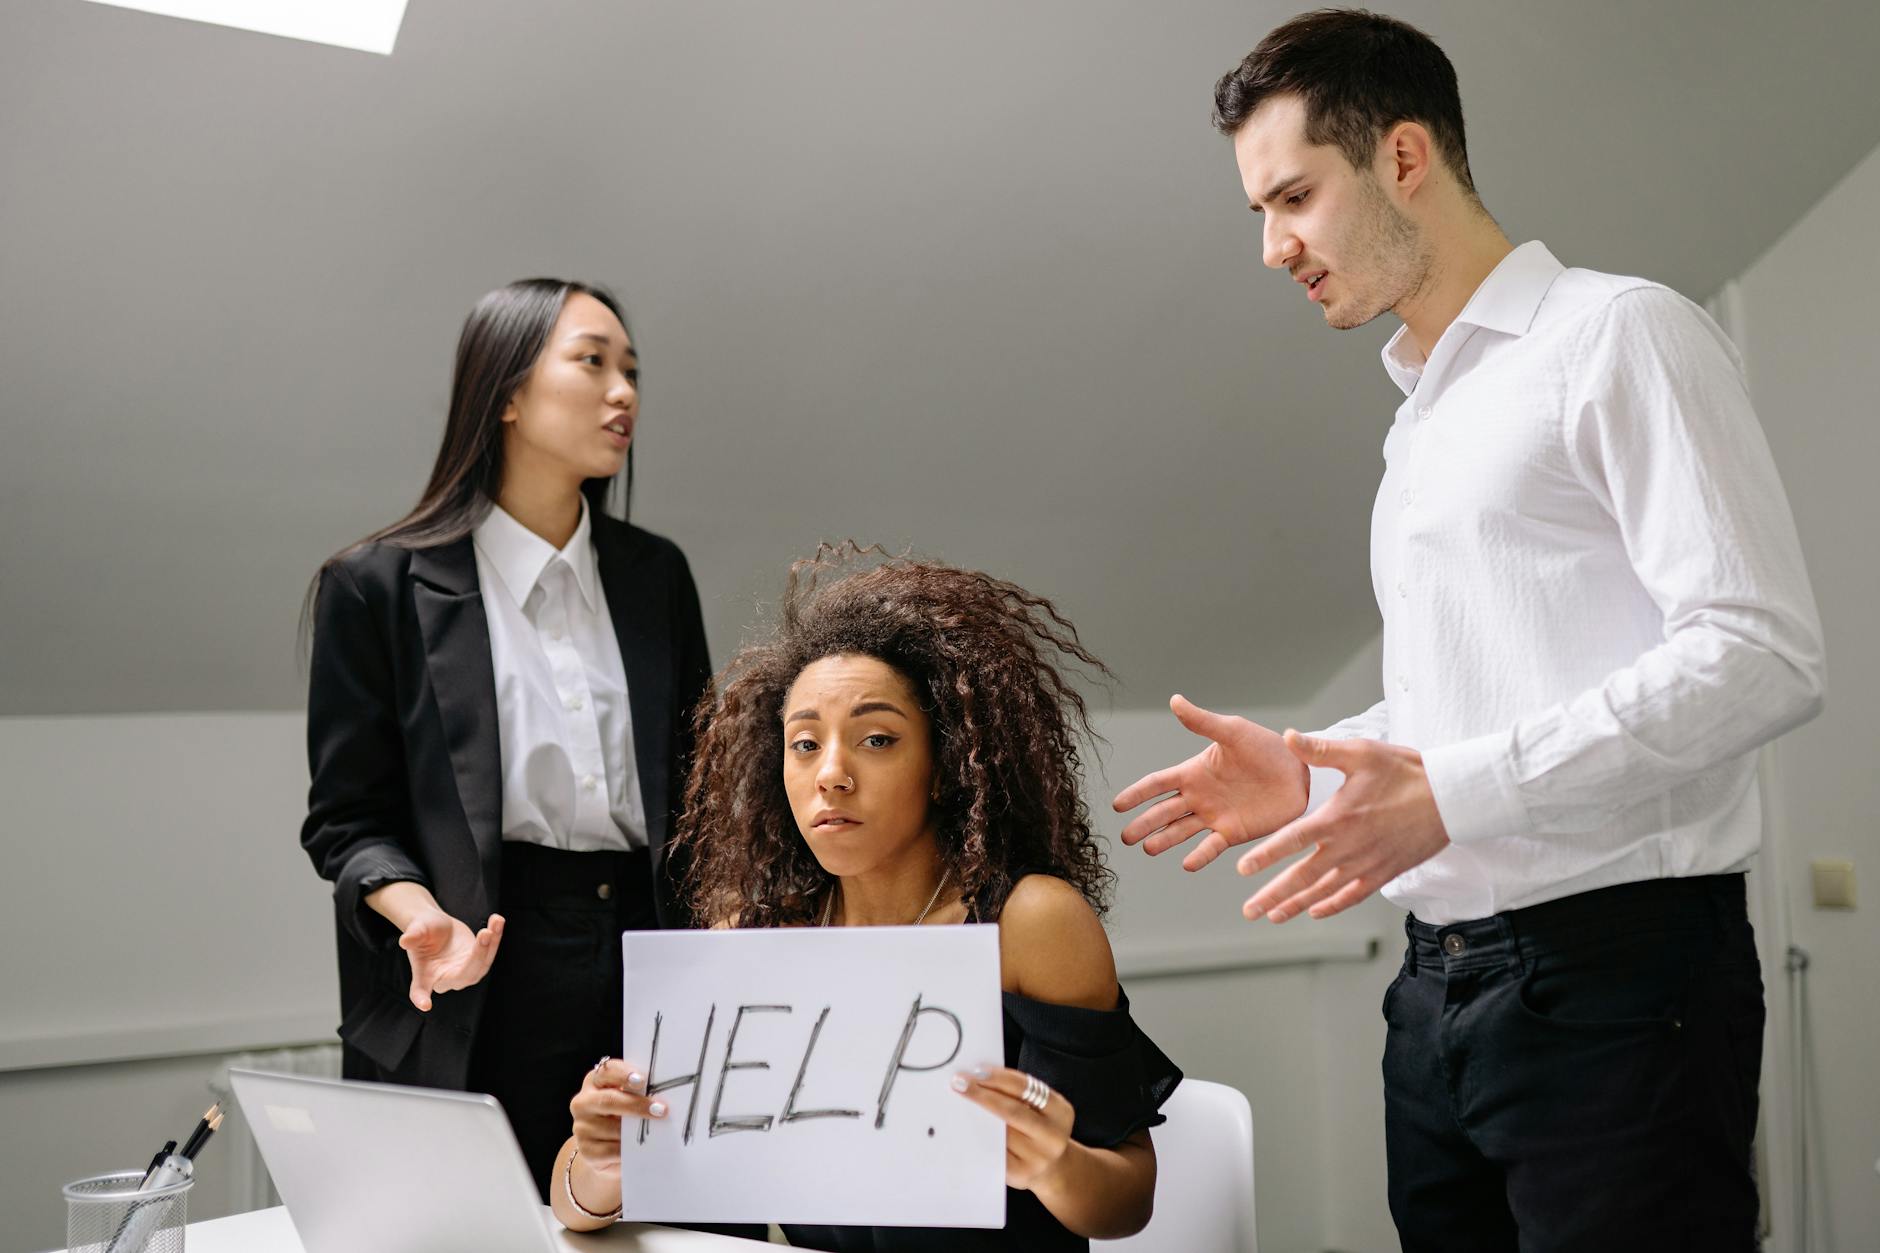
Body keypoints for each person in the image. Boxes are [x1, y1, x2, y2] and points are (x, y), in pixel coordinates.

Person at [1112, 11, 1825, 1251]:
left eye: (1292, 197)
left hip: (1620, 990)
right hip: (1433, 992)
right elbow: (1474, 698)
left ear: (1400, 159)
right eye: (1257, 214)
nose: (1273, 248)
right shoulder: (1420, 418)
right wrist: (1315, 765)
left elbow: (1759, 652)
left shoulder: (1619, 334)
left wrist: (1454, 791)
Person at [551, 547, 1181, 1250]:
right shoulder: (753, 938)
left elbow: (1127, 1201)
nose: (832, 774)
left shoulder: (1030, 920)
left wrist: (1055, 1164)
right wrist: (603, 1158)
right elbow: (574, 1203)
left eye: (876, 739)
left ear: (944, 766)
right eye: (804, 743)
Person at [300, 277, 712, 1199]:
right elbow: (346, 824)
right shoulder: (377, 586)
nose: (624, 393)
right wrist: (420, 918)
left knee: (645, 1222)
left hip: (647, 960)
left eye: (632, 370)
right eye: (593, 361)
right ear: (509, 394)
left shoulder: (656, 577)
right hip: (477, 966)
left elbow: (701, 796)